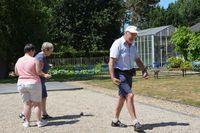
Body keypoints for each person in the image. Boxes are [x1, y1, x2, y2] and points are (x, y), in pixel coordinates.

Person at [109, 26, 148, 132]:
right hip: (119, 73)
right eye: (132, 34)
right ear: (126, 33)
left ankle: (115, 120)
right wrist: (112, 77)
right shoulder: (117, 44)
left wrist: (144, 70)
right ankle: (135, 122)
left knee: (123, 97)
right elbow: (111, 62)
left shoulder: (133, 46)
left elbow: (138, 60)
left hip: (129, 74)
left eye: (135, 35)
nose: (133, 37)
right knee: (130, 95)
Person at [15, 44, 49, 127]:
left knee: (27, 104)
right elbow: (38, 72)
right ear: (31, 51)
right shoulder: (34, 60)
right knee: (37, 104)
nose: (34, 53)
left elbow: (16, 73)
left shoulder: (19, 60)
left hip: (21, 83)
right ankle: (39, 122)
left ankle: (26, 123)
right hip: (33, 83)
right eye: (34, 51)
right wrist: (45, 75)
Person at [35, 42, 54, 119]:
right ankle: (23, 113)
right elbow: (38, 70)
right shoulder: (40, 57)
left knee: (43, 97)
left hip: (41, 81)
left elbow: (41, 66)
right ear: (46, 50)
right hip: (39, 81)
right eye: (51, 50)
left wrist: (48, 65)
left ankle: (44, 114)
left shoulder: (42, 56)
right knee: (37, 99)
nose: (51, 52)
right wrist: (45, 75)